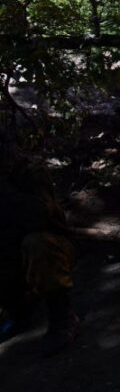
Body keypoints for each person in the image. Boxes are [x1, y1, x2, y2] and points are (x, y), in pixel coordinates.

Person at [0, 139, 79, 355]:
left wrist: (5, 190)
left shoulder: (31, 173)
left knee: (37, 244)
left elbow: (39, 217)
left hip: (53, 248)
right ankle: (17, 310)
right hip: (12, 255)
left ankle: (62, 317)